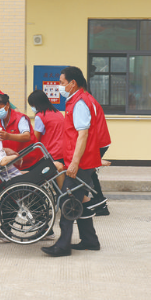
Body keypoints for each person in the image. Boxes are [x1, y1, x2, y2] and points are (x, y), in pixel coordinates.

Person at [41, 66, 101, 257]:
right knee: (78, 199)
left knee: (66, 200)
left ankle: (63, 245)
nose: (59, 86)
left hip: (80, 162)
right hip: (82, 159)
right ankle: (90, 240)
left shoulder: (80, 103)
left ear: (73, 83)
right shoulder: (79, 99)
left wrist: (74, 163)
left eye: (62, 82)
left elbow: (83, 134)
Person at [0, 115, 61, 242]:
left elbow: (1, 155)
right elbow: (1, 161)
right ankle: (45, 229)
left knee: (55, 167)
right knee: (54, 166)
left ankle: (43, 229)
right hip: (13, 180)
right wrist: (14, 157)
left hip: (16, 178)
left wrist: (8, 151)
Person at [0, 93, 40, 171]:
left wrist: (8, 136)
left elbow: (27, 136)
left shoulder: (20, 119)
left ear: (7, 105)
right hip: (13, 163)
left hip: (30, 161)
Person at [27, 90, 64, 165]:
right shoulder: (58, 113)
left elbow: (35, 139)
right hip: (63, 152)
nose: (32, 108)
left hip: (50, 154)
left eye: (32, 105)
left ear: (37, 104)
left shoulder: (40, 116)